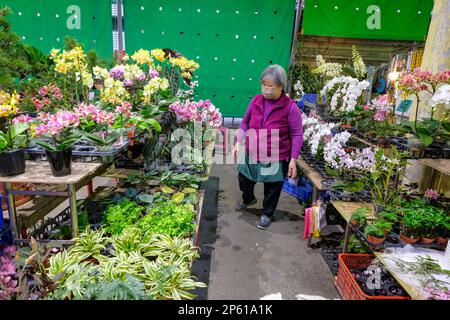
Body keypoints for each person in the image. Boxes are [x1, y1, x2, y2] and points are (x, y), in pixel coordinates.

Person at [233, 64, 303, 230]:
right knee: (244, 179)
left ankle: (267, 213)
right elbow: (245, 123)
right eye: (263, 84)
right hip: (251, 151)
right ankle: (248, 198)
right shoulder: (256, 100)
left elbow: (297, 135)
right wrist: (238, 142)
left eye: (269, 86)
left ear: (280, 85)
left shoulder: (290, 108)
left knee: (272, 188)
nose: (265, 89)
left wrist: (293, 160)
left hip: (275, 155)